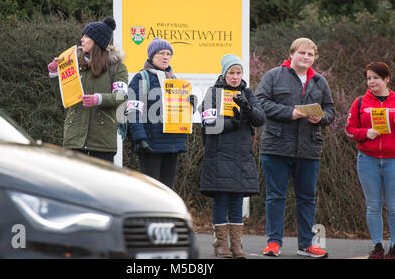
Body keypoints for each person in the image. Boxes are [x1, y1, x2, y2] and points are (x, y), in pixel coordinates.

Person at [255, 38, 335, 258]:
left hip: (309, 149)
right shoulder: (273, 75)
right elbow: (260, 102)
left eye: (310, 54)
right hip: (276, 147)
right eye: (302, 53)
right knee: (275, 197)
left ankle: (307, 244)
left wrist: (320, 118)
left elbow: (330, 111)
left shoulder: (320, 81)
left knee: (307, 198)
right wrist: (289, 113)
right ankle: (273, 243)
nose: (306, 57)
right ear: (291, 54)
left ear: (314, 58)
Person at [199, 54, 265, 258]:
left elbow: (260, 119)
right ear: (224, 73)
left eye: (239, 73)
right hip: (219, 155)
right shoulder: (213, 92)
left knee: (237, 199)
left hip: (241, 156)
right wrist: (232, 123)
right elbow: (208, 124)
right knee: (221, 198)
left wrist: (247, 107)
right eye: (231, 73)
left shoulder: (247, 92)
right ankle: (221, 244)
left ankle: (237, 245)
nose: (235, 77)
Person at [47, 17, 128, 162]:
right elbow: (64, 100)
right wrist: (54, 74)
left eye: (86, 36)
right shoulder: (72, 63)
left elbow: (121, 96)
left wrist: (99, 99)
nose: (82, 40)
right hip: (74, 139)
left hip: (102, 142)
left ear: (97, 41)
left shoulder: (117, 67)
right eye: (82, 36)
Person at [126, 38, 195, 188]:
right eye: (161, 53)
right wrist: (140, 139)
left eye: (168, 54)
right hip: (150, 145)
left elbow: (180, 114)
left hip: (172, 145)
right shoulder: (141, 78)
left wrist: (190, 105)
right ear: (151, 56)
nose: (165, 57)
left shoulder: (176, 81)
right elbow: (132, 111)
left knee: (167, 191)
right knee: (151, 191)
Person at [345, 62, 395, 259]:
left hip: (393, 160)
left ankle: (394, 246)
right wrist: (366, 133)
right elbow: (349, 130)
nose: (371, 81)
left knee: (393, 206)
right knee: (373, 205)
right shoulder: (359, 103)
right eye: (369, 78)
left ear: (386, 79)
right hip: (368, 160)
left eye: (375, 78)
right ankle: (377, 246)